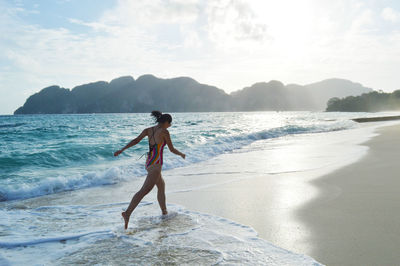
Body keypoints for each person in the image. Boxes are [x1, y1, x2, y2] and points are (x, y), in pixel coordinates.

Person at [114, 111, 186, 229]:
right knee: (145, 190)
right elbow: (171, 149)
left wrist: (122, 150)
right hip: (156, 165)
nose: (170, 125)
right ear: (166, 122)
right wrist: (181, 154)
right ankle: (127, 213)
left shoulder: (148, 130)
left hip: (148, 163)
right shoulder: (164, 132)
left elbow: (135, 141)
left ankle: (164, 213)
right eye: (170, 123)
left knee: (161, 186)